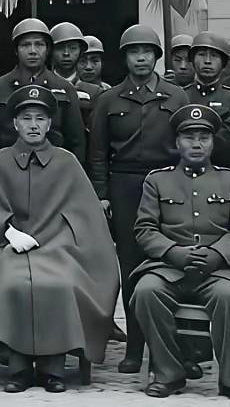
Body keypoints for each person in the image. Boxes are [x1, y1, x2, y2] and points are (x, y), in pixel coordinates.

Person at [0, 84, 119, 393]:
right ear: (15, 123)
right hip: (7, 250)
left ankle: (53, 369)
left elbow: (86, 217)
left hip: (60, 250)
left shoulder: (67, 162)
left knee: (58, 283)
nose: (33, 125)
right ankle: (18, 367)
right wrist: (7, 231)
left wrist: (61, 242)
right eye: (27, 118)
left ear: (49, 124)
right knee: (11, 282)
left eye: (40, 119)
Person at [132, 105, 230, 403]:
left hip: (217, 269)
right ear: (177, 142)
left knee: (229, 298)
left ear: (213, 142)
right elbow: (144, 229)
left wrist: (217, 254)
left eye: (204, 137)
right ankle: (168, 373)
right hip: (169, 267)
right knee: (145, 292)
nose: (197, 143)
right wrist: (173, 252)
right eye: (189, 137)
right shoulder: (157, 181)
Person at [89, 24, 190, 372]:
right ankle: (135, 348)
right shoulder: (109, 100)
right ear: (125, 58)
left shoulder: (177, 97)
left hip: (168, 184)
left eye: (148, 52)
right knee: (131, 266)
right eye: (134, 52)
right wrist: (103, 194)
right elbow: (98, 154)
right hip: (125, 185)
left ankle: (178, 348)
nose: (141, 58)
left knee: (171, 262)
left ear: (157, 57)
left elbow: (188, 145)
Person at [0, 18, 86, 168]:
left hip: (54, 171)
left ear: (48, 49)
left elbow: (76, 141)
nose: (32, 51)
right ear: (16, 50)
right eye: (25, 45)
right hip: (7, 171)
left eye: (39, 44)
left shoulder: (64, 88)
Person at [184, 31, 230, 170]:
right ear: (193, 59)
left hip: (223, 172)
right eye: (201, 55)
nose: (207, 61)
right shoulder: (179, 96)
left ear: (223, 62)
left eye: (214, 56)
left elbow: (228, 140)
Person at [51, 22, 104, 129]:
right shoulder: (39, 86)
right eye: (60, 48)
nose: (66, 53)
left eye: (72, 48)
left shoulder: (95, 92)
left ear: (80, 51)